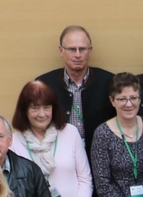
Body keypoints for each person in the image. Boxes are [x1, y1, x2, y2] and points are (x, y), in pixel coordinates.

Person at [10, 80, 92, 197]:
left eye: (46, 107)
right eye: (35, 108)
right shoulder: (13, 142)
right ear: (24, 110)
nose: (42, 114)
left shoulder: (70, 133)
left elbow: (85, 178)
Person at [36, 25, 115, 153]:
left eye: (82, 49)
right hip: (57, 156)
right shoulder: (44, 84)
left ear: (90, 51)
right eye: (72, 49)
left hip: (100, 156)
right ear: (61, 51)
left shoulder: (109, 82)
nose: (78, 55)